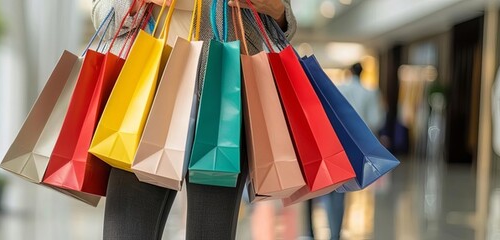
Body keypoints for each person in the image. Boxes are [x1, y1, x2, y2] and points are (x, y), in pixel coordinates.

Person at [90, 0, 297, 239]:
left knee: (211, 232)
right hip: (147, 97)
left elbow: (284, 24)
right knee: (125, 232)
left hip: (227, 98)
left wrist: (275, 9)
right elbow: (102, 13)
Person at [304, 62, 384, 240]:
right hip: (355, 145)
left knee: (316, 187)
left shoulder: (339, 88)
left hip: (332, 141)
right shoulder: (370, 92)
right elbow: (376, 120)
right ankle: (335, 234)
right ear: (363, 73)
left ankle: (310, 231)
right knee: (341, 190)